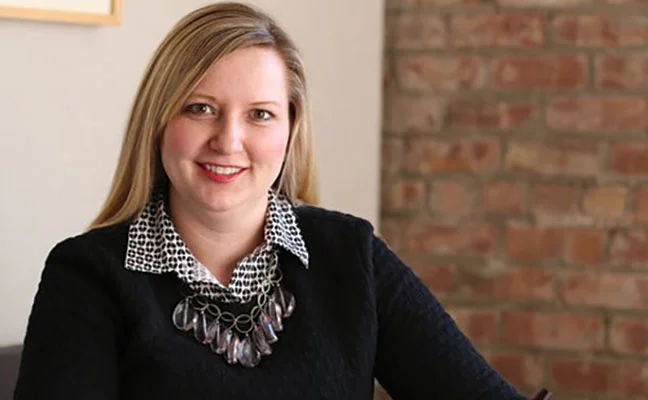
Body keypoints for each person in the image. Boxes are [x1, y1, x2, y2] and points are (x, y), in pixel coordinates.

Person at [14, 3, 543, 399]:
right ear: (159, 121)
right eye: (201, 108)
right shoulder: (86, 276)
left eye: (260, 115)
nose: (229, 140)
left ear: (291, 130)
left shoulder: (351, 254)